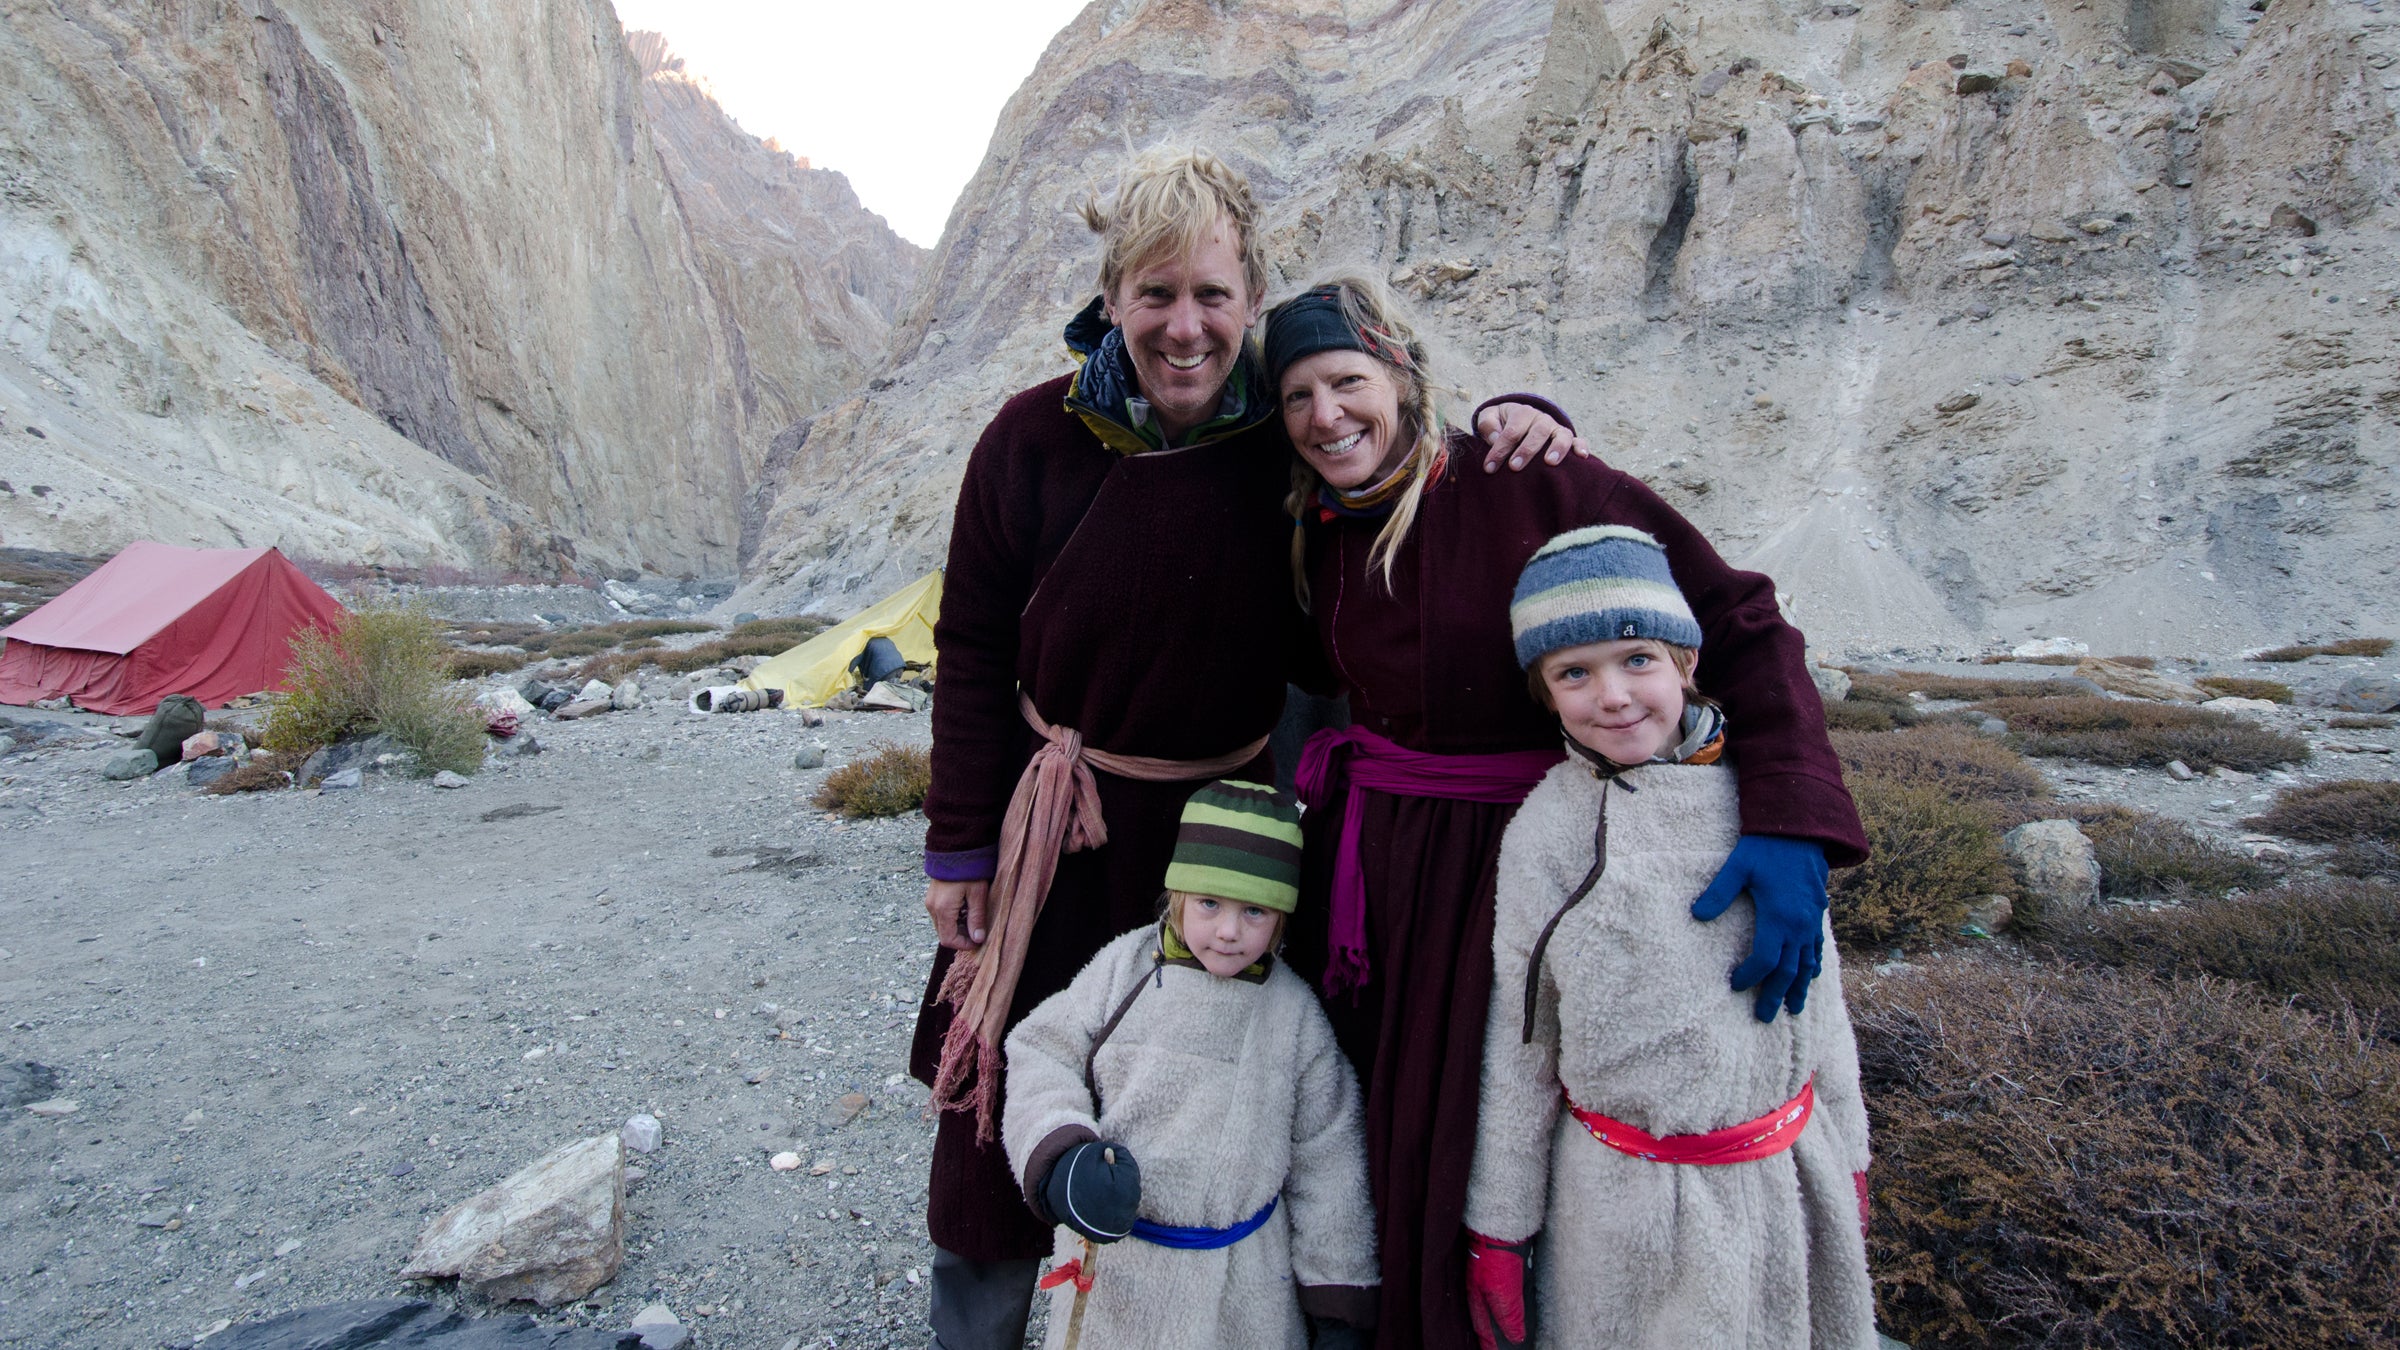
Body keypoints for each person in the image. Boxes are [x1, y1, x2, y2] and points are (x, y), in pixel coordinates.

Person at [910, 151, 1577, 1350]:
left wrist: (1520, 417)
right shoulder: (1028, 441)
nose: (1184, 326)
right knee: (1007, 1085)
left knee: (1224, 1092)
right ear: (1111, 298)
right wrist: (959, 841)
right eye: (1156, 294)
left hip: (1232, 832)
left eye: (1213, 297)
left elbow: (1401, 453)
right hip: (1054, 827)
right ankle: (993, 1328)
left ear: (1251, 299)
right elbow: (967, 648)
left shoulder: (1286, 436)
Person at [1266, 276, 1870, 1349]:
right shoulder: (1320, 522)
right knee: (1389, 1125)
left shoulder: (1525, 477)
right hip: (1385, 875)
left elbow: (1737, 618)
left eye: (1348, 382)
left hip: (1533, 858)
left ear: (1403, 376)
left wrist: (1787, 815)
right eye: (1299, 395)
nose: (1326, 415)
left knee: (1494, 1122)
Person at [1460, 528, 1875, 1350]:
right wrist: (1499, 1228)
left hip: (1784, 1187)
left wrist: (1851, 1158)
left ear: (1686, 662)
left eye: (1637, 659)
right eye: (1573, 673)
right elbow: (1521, 1043)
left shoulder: (1769, 806)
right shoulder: (1546, 833)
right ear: (1544, 694)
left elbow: (1822, 1000)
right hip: (1616, 1207)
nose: (1612, 696)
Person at [1002, 781, 1377, 1350]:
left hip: (1244, 1293)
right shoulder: (1122, 971)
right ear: (1177, 893)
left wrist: (1337, 1301)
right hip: (1116, 1275)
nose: (1228, 931)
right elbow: (1041, 1048)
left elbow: (1329, 1159)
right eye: (1209, 903)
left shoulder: (1294, 1015)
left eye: (1254, 910)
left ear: (1281, 915)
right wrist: (1062, 1158)